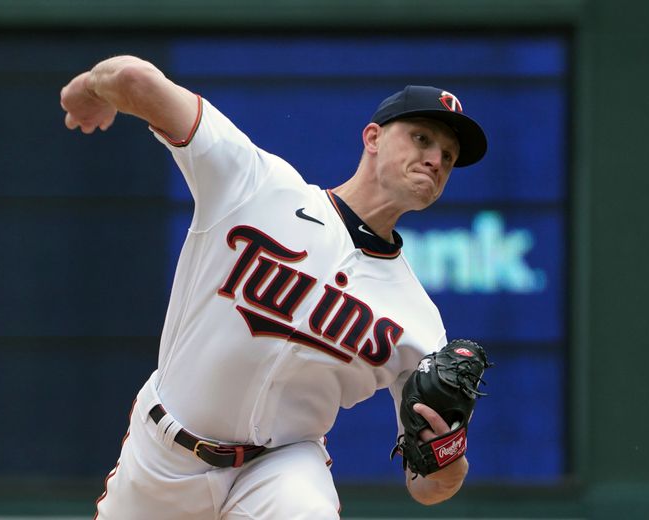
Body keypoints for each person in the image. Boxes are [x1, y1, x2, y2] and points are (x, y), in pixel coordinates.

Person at [60, 54, 488, 520]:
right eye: (422, 138)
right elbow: (134, 78)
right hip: (165, 454)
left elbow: (427, 488)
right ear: (372, 138)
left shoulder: (418, 320)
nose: (435, 159)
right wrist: (87, 91)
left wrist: (448, 458)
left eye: (448, 156)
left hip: (281, 467)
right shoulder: (256, 186)